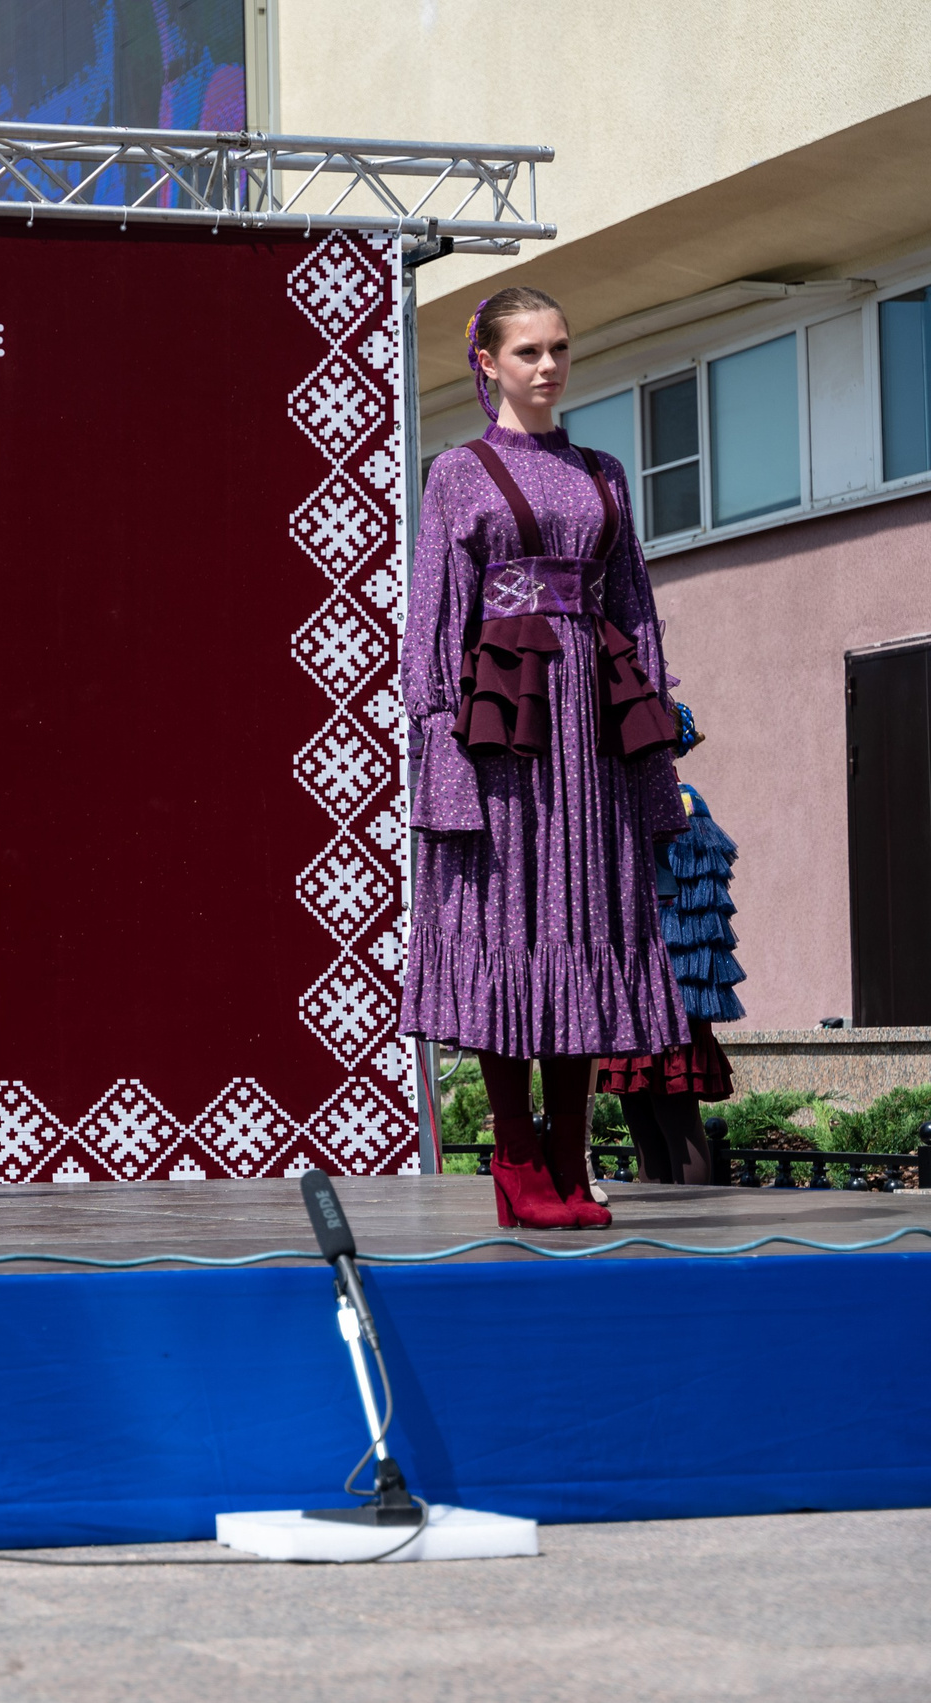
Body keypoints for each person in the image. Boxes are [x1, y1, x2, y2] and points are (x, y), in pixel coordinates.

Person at [401, 287, 688, 1231]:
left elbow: (634, 606)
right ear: (486, 362)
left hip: (591, 732)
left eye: (559, 347)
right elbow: (437, 615)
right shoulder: (459, 471)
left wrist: (652, 723)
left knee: (585, 920)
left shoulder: (606, 472)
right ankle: (516, 1156)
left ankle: (570, 1153)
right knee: (506, 921)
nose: (549, 365)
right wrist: (441, 738)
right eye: (528, 351)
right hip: (504, 731)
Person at [601, 703, 744, 1184]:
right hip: (631, 985)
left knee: (675, 1119)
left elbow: (696, 912)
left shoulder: (682, 804)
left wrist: (672, 990)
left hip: (669, 988)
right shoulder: (619, 803)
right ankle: (656, 1225)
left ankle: (693, 1225)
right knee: (641, 1122)